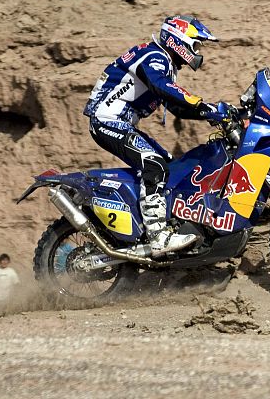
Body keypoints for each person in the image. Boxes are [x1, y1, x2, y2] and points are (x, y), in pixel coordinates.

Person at [84, 15, 222, 255]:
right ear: (179, 40)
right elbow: (161, 86)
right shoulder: (154, 56)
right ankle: (157, 236)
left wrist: (213, 113)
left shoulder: (163, 61)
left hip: (122, 124)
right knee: (154, 165)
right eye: (195, 44)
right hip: (107, 121)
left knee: (170, 167)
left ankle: (152, 228)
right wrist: (201, 104)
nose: (198, 50)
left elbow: (177, 106)